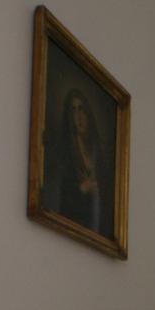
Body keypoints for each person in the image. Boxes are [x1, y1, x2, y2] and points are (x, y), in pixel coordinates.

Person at [56, 88, 110, 235]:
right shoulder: (67, 154)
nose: (78, 116)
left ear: (88, 114)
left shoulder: (97, 154)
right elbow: (60, 199)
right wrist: (82, 189)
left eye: (81, 109)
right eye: (73, 110)